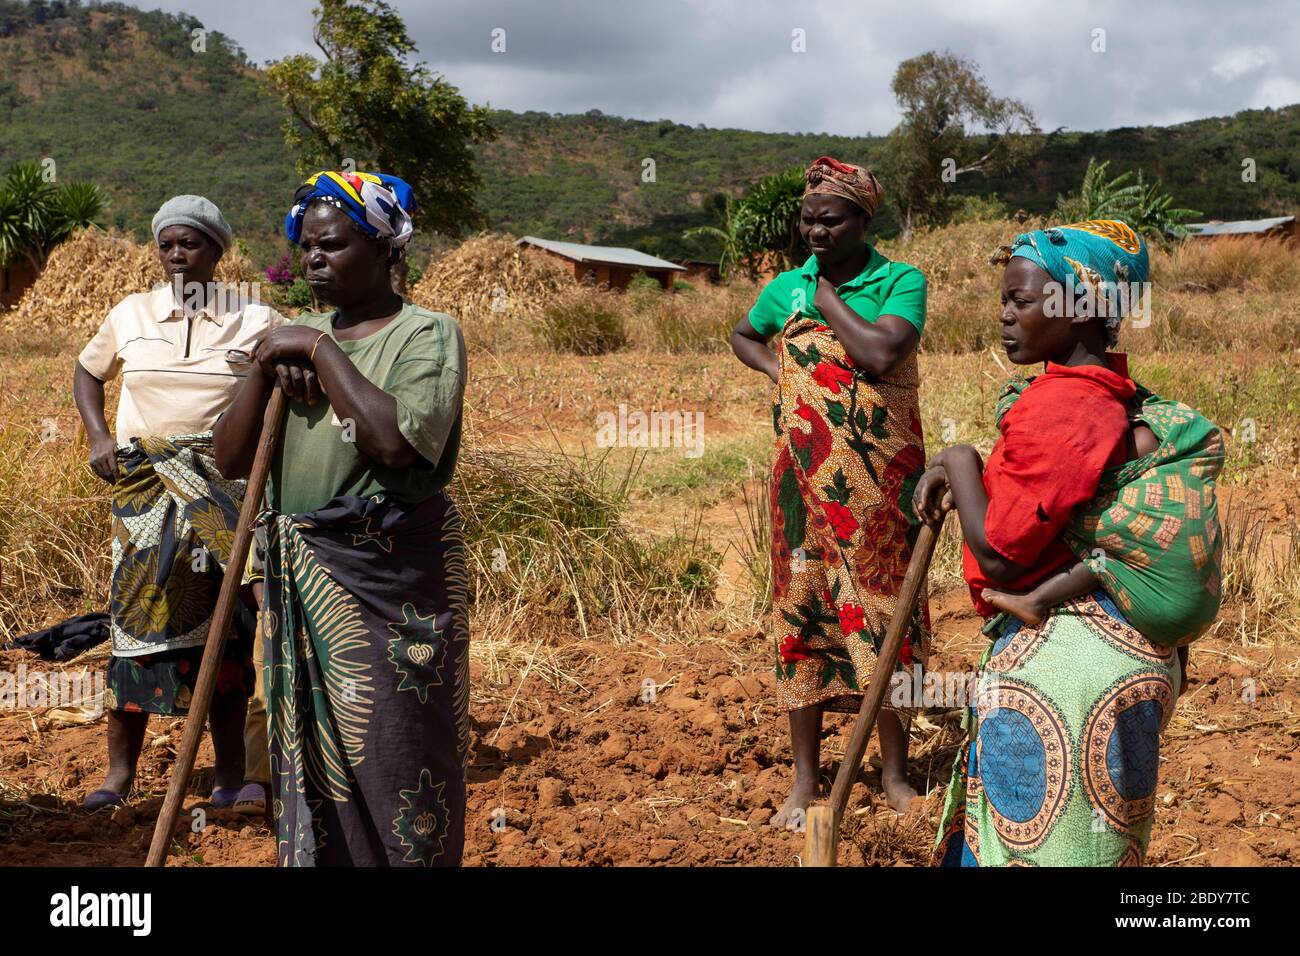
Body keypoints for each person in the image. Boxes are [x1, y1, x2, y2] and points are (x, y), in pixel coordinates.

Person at [213, 170, 469, 866]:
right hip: (304, 587)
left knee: (396, 749)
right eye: (307, 247)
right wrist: (266, 365)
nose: (314, 259)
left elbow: (395, 441)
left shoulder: (427, 335)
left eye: (334, 246)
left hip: (392, 590)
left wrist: (323, 355)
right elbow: (230, 458)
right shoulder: (286, 343)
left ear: (387, 250)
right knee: (313, 763)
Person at [918, 219, 1185, 866]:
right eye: (1003, 300)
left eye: (1021, 301)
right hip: (1113, 664)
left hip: (1062, 680)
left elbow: (1001, 554)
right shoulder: (1111, 396)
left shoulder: (1066, 406)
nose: (1004, 316)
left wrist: (957, 461)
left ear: (1083, 307)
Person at [729, 156, 931, 821]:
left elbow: (880, 355)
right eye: (808, 220)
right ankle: (805, 782)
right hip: (801, 480)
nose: (815, 231)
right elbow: (743, 335)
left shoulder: (901, 281)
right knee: (802, 612)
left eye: (831, 220)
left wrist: (823, 301)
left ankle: (895, 774)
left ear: (863, 220)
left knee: (884, 616)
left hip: (878, 486)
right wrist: (784, 375)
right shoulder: (781, 285)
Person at [73, 195, 284, 809]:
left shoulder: (253, 318)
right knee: (137, 626)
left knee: (227, 632)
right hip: (145, 489)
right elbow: (88, 373)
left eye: (189, 243)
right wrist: (97, 436)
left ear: (218, 252)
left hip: (223, 490)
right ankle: (119, 776)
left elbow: (282, 387)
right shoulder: (131, 313)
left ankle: (228, 777)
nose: (175, 254)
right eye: (166, 244)